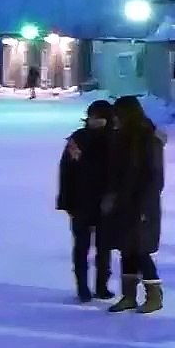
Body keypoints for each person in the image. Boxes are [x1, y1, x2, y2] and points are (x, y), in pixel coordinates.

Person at [105, 95, 167, 314]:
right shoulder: (122, 137)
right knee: (126, 249)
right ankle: (128, 295)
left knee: (140, 250)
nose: (115, 119)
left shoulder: (148, 139)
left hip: (142, 205)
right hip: (124, 203)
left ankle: (154, 295)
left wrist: (144, 206)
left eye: (118, 114)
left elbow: (154, 176)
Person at [56, 100, 116, 303]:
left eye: (100, 117)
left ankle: (102, 285)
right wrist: (66, 200)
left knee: (104, 246)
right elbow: (66, 171)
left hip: (107, 201)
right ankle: (82, 286)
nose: (96, 121)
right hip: (80, 200)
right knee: (81, 246)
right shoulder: (78, 139)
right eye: (93, 117)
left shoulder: (116, 139)